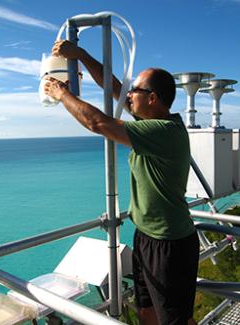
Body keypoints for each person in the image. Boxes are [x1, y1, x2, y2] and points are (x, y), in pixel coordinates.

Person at [44, 40, 200, 325]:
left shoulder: (164, 131)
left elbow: (98, 123)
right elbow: (113, 87)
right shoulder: (153, 119)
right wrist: (80, 55)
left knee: (176, 320)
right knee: (147, 312)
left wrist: (61, 93)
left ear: (152, 98)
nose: (128, 95)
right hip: (146, 236)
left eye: (135, 91)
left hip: (169, 243)